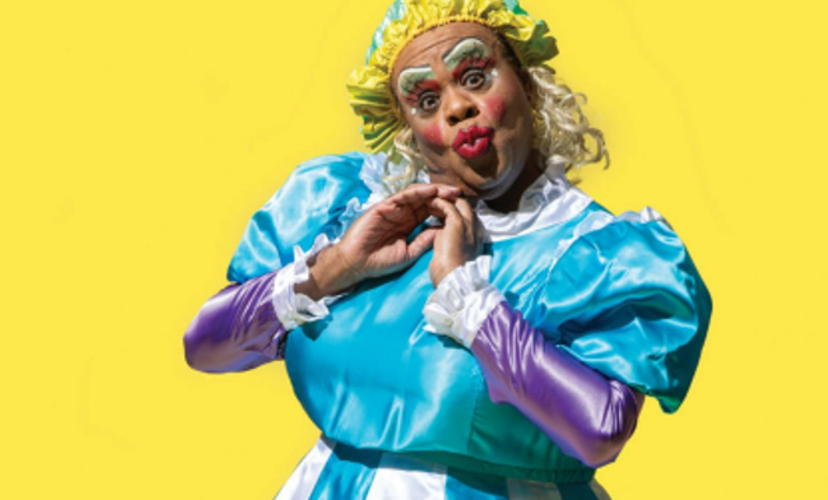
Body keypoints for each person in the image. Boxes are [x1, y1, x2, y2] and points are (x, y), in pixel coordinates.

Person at [182, 0, 713, 498]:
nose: (458, 107)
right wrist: (334, 268)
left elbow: (601, 429)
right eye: (426, 100)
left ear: (527, 81)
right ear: (407, 130)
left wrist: (469, 300)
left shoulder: (595, 253)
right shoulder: (350, 209)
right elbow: (205, 348)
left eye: (475, 77)